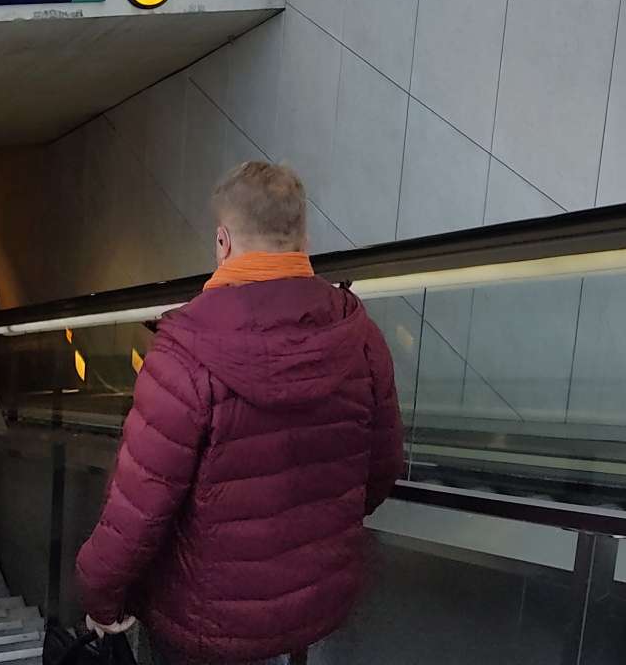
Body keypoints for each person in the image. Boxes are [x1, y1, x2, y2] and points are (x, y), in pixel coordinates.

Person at [74, 161, 403, 665]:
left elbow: (139, 509)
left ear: (223, 242)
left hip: (207, 618)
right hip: (313, 599)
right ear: (303, 240)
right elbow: (382, 468)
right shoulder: (359, 335)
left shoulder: (185, 352)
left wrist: (100, 594)